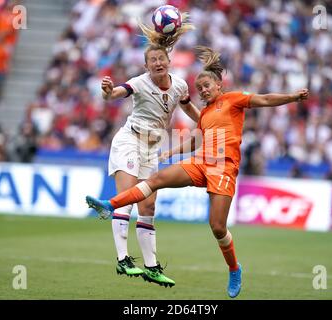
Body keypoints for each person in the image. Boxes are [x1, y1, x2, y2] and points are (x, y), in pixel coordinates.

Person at [86, 45, 309, 297]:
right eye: (200, 88)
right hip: (200, 163)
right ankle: (110, 205)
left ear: (218, 87)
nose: (203, 90)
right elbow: (196, 140)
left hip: (223, 167)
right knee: (157, 179)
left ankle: (234, 268)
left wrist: (292, 97)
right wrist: (172, 152)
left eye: (207, 86)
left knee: (217, 227)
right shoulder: (203, 115)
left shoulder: (233, 99)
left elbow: (266, 99)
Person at [87, 15, 199, 288]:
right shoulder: (139, 82)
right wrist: (106, 92)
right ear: (146, 66)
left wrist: (207, 120)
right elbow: (116, 93)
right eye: (152, 61)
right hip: (130, 141)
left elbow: (188, 108)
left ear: (168, 61)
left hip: (152, 148)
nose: (158, 63)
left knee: (148, 206)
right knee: (125, 198)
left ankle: (151, 267)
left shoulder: (181, 85)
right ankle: (123, 259)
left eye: (161, 59)